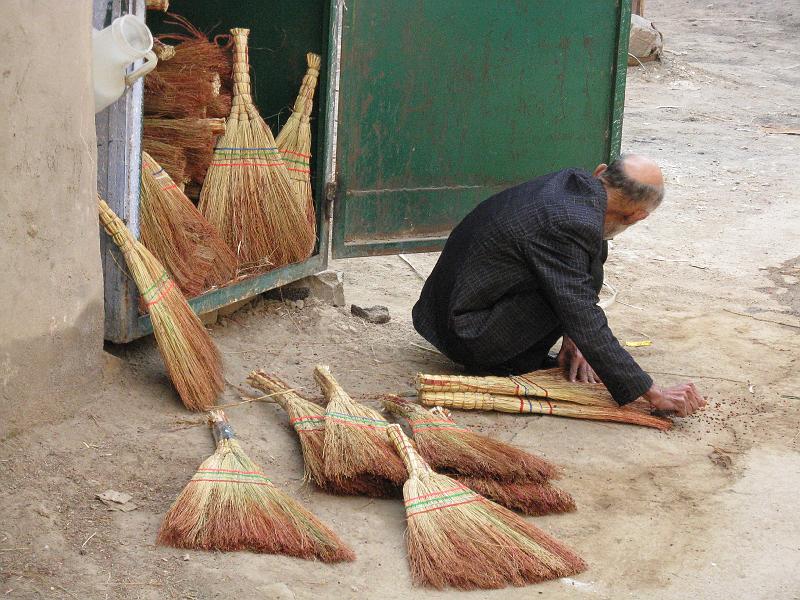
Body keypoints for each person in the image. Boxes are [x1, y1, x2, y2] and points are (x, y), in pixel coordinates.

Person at [412, 154, 705, 416]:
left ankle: (538, 349)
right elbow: (582, 312)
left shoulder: (571, 186)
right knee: (577, 293)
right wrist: (653, 393)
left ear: (599, 172)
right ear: (638, 215)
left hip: (443, 311)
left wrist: (573, 338)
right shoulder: (568, 224)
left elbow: (576, 280)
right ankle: (506, 361)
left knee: (590, 260)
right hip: (466, 333)